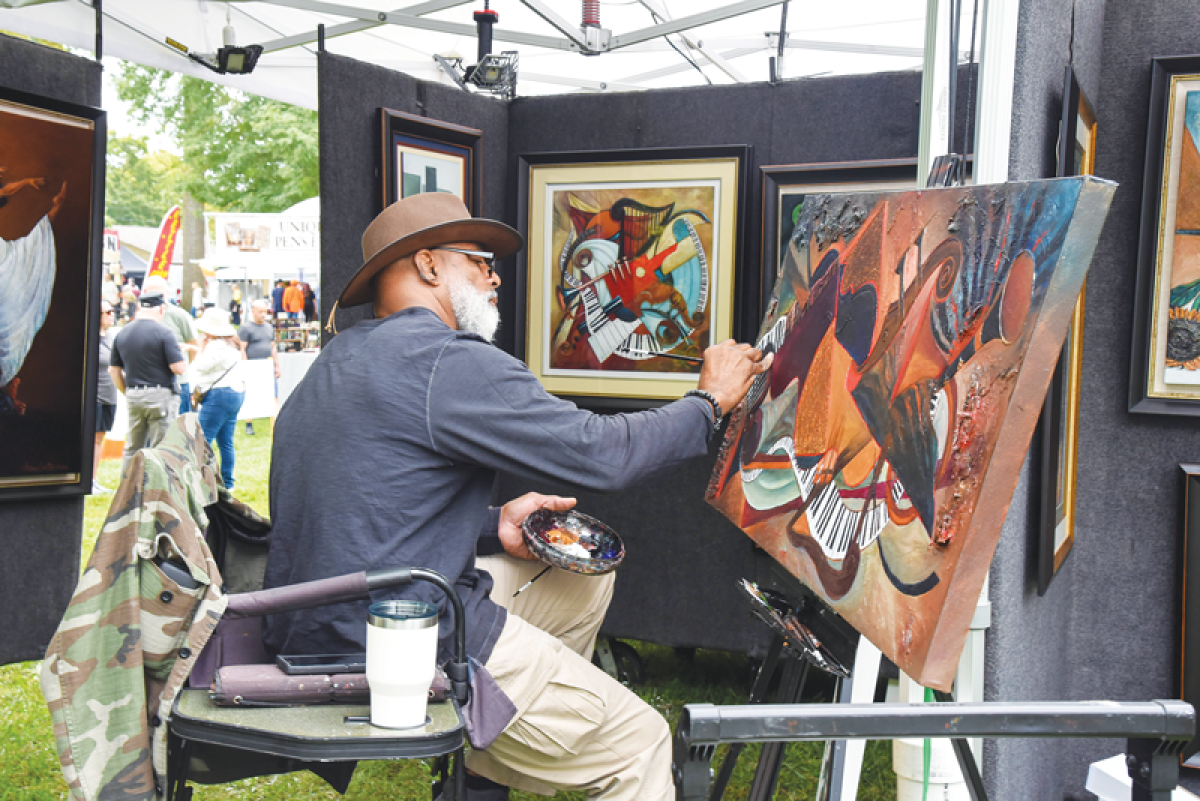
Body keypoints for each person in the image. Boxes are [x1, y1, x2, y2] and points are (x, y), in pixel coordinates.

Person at [262, 193, 771, 801]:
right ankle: (519, 720)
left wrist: (490, 524)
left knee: (582, 578)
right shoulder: (444, 361)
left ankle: (492, 761)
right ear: (428, 266)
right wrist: (707, 403)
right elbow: (602, 454)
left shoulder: (339, 359)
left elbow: (359, 507)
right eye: (481, 260)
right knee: (642, 746)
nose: (496, 276)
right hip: (403, 637)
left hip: (322, 624)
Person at [109, 291, 186, 477]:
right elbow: (178, 368)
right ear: (160, 309)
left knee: (133, 446)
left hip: (134, 394)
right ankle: (159, 489)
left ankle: (127, 490)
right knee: (162, 446)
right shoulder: (164, 332)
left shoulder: (123, 333)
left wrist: (126, 391)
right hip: (161, 395)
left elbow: (114, 370)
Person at [192, 308, 246, 490]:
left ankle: (202, 482)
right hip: (235, 393)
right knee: (226, 442)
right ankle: (228, 483)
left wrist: (200, 348)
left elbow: (199, 366)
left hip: (219, 396)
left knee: (202, 440)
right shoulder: (232, 344)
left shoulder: (216, 346)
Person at [142, 275, 199, 414]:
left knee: (178, 431)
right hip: (149, 385)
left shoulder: (179, 316)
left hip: (178, 383)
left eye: (160, 294)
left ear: (166, 294)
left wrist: (185, 369)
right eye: (152, 293)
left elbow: (194, 346)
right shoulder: (140, 316)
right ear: (144, 293)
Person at [236, 298, 279, 436]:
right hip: (252, 366)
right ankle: (249, 424)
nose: (263, 315)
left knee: (274, 395)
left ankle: (276, 424)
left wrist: (277, 365)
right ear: (253, 311)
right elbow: (242, 348)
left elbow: (273, 347)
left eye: (265, 312)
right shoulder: (246, 328)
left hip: (268, 365)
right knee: (251, 396)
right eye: (260, 312)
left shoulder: (269, 327)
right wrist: (245, 365)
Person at [92, 300, 118, 493]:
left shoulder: (111, 337)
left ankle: (94, 478)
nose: (112, 314)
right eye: (108, 311)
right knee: (92, 439)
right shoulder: (91, 338)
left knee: (100, 439)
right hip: (95, 396)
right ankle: (88, 480)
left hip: (110, 395)